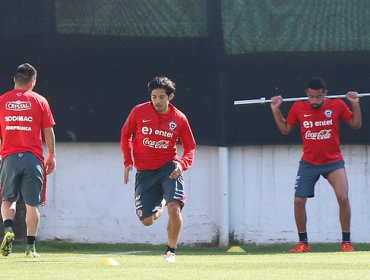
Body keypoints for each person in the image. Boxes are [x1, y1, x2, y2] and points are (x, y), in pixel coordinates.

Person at [270, 77, 361, 253]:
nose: (314, 101)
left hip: (333, 161)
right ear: (307, 94)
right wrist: (275, 110)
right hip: (309, 163)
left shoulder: (338, 105)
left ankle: (346, 243)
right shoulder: (298, 107)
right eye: (311, 97)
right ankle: (303, 243)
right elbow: (285, 129)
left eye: (318, 97)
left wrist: (355, 104)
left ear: (325, 94)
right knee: (298, 201)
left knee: (343, 197)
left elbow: (356, 124)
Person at [121, 76, 196, 262]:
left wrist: (182, 164)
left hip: (169, 169)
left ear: (170, 97)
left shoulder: (179, 118)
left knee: (174, 208)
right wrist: (127, 161)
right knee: (147, 221)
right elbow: (126, 135)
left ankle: (171, 251)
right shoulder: (139, 111)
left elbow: (190, 147)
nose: (157, 101)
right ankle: (161, 201)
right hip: (145, 172)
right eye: (154, 96)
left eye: (161, 97)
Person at [0, 63, 56, 258]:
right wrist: (52, 156)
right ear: (33, 82)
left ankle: (8, 229)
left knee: (8, 199)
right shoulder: (40, 101)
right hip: (33, 159)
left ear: (14, 80)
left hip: (9, 158)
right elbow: (48, 131)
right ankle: (30, 248)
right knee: (33, 205)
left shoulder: (2, 101)